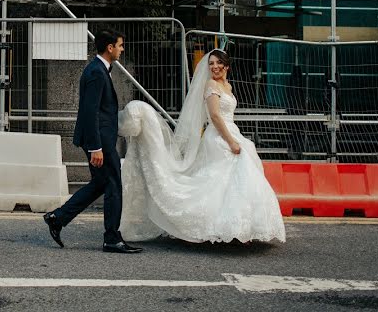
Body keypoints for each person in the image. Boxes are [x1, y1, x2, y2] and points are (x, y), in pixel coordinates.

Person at [117, 49, 286, 244]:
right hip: (219, 136)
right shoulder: (211, 85)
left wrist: (234, 137)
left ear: (227, 66)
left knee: (232, 181)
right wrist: (230, 141)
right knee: (223, 180)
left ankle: (239, 228)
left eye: (218, 63)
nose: (214, 66)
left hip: (231, 131)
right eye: (211, 63)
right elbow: (215, 116)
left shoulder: (227, 87)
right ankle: (224, 228)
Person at [43, 29, 142, 253]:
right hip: (100, 142)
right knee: (114, 185)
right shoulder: (97, 72)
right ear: (110, 48)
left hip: (99, 140)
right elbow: (90, 112)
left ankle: (58, 218)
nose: (122, 49)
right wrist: (96, 147)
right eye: (120, 45)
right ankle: (112, 238)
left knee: (100, 184)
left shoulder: (99, 69)